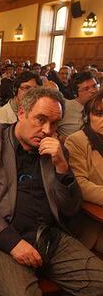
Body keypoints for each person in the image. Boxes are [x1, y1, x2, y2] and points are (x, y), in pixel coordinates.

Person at [0, 86, 103, 295]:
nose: (47, 130)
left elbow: (71, 208)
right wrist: (12, 243)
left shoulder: (56, 150)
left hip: (49, 236)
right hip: (1, 239)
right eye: (41, 119)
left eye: (54, 123)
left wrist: (63, 168)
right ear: (21, 114)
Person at [65, 92, 103, 253]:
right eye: (99, 114)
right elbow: (81, 185)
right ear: (88, 116)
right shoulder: (77, 141)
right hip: (94, 225)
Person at [58, 71, 100, 142]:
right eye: (86, 89)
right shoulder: (63, 108)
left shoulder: (100, 107)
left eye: (95, 86)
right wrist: (59, 138)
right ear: (75, 94)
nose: (93, 91)